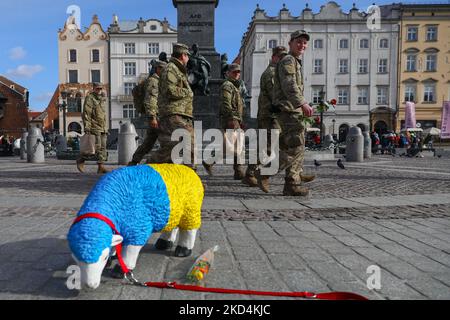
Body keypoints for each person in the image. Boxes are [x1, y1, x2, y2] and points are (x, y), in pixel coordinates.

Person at [257, 30, 314, 196]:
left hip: (289, 109)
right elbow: (290, 84)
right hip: (289, 110)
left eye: (304, 42)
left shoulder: (294, 61)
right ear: (291, 43)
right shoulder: (288, 60)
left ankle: (293, 178)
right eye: (298, 42)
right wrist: (302, 102)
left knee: (289, 146)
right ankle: (274, 175)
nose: (302, 45)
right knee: (296, 145)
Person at [150, 43, 212, 174]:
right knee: (179, 145)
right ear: (183, 55)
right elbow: (170, 90)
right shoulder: (170, 69)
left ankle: (188, 177)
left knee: (179, 146)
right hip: (173, 113)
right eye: (187, 56)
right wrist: (188, 93)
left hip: (181, 114)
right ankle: (148, 167)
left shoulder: (178, 70)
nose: (189, 59)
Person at [242, 46, 286, 187]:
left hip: (275, 115)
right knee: (266, 147)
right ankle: (250, 173)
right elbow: (276, 95)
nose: (283, 61)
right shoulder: (271, 73)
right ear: (274, 57)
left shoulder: (278, 73)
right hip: (269, 116)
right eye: (280, 58)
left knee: (287, 145)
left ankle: (295, 173)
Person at [129, 60, 167, 166]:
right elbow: (150, 100)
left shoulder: (159, 81)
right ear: (158, 69)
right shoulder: (153, 81)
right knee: (166, 141)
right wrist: (152, 117)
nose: (165, 72)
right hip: (157, 117)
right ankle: (152, 162)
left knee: (148, 142)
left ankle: (134, 161)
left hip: (158, 116)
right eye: (163, 69)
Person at [219, 63, 247, 180]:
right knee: (237, 145)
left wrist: (240, 120)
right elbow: (226, 103)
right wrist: (231, 118)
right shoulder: (227, 85)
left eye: (239, 72)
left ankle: (238, 171)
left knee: (234, 145)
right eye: (234, 72)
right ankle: (239, 170)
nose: (237, 74)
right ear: (229, 73)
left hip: (236, 118)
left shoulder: (236, 86)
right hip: (230, 118)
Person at [76, 83, 109, 174]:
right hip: (94, 126)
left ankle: (100, 166)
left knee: (103, 147)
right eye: (97, 89)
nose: (99, 90)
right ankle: (81, 159)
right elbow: (87, 113)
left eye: (100, 89)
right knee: (95, 148)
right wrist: (87, 126)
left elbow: (103, 114)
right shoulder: (90, 98)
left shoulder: (102, 99)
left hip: (102, 127)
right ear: (94, 88)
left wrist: (105, 127)